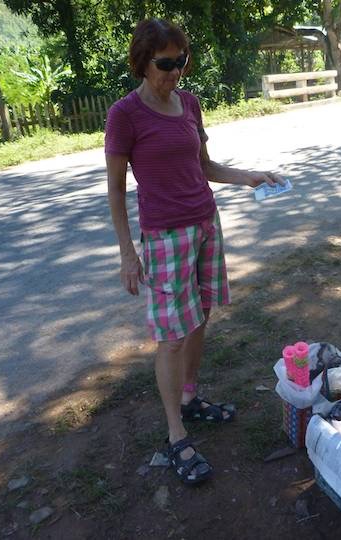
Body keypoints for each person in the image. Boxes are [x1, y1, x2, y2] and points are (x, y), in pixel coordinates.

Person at [104, 19, 284, 486]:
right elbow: (116, 191)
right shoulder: (125, 115)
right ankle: (175, 432)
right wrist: (127, 252)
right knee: (172, 336)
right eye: (166, 63)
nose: (176, 71)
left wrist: (251, 176)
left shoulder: (189, 104)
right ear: (143, 62)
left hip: (206, 223)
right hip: (164, 237)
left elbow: (205, 166)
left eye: (182, 61)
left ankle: (189, 398)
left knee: (200, 318)